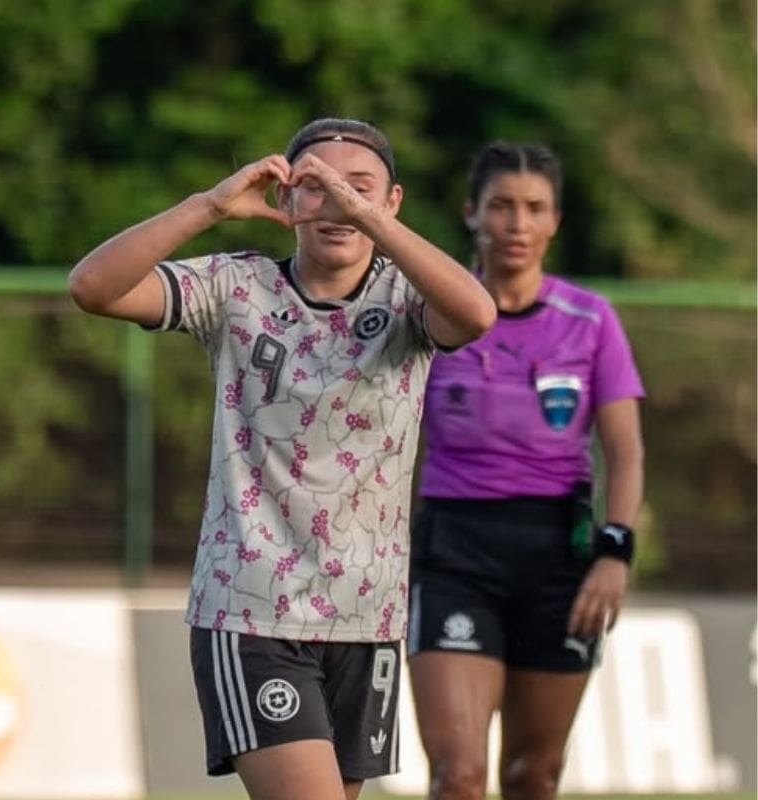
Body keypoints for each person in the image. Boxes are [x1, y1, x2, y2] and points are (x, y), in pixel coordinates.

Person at [69, 118, 496, 800]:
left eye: (359, 190)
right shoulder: (236, 288)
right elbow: (93, 286)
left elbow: (475, 314)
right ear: (288, 199)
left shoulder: (409, 300)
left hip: (365, 615)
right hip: (252, 610)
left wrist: (364, 215)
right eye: (316, 187)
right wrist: (209, 205)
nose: (338, 205)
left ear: (392, 204)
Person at [407, 142, 646, 800]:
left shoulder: (590, 319)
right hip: (454, 551)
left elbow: (625, 451)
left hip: (558, 557)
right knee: (459, 775)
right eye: (501, 207)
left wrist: (615, 551)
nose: (517, 224)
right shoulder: (431, 314)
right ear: (471, 215)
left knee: (531, 776)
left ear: (555, 222)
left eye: (534, 208)